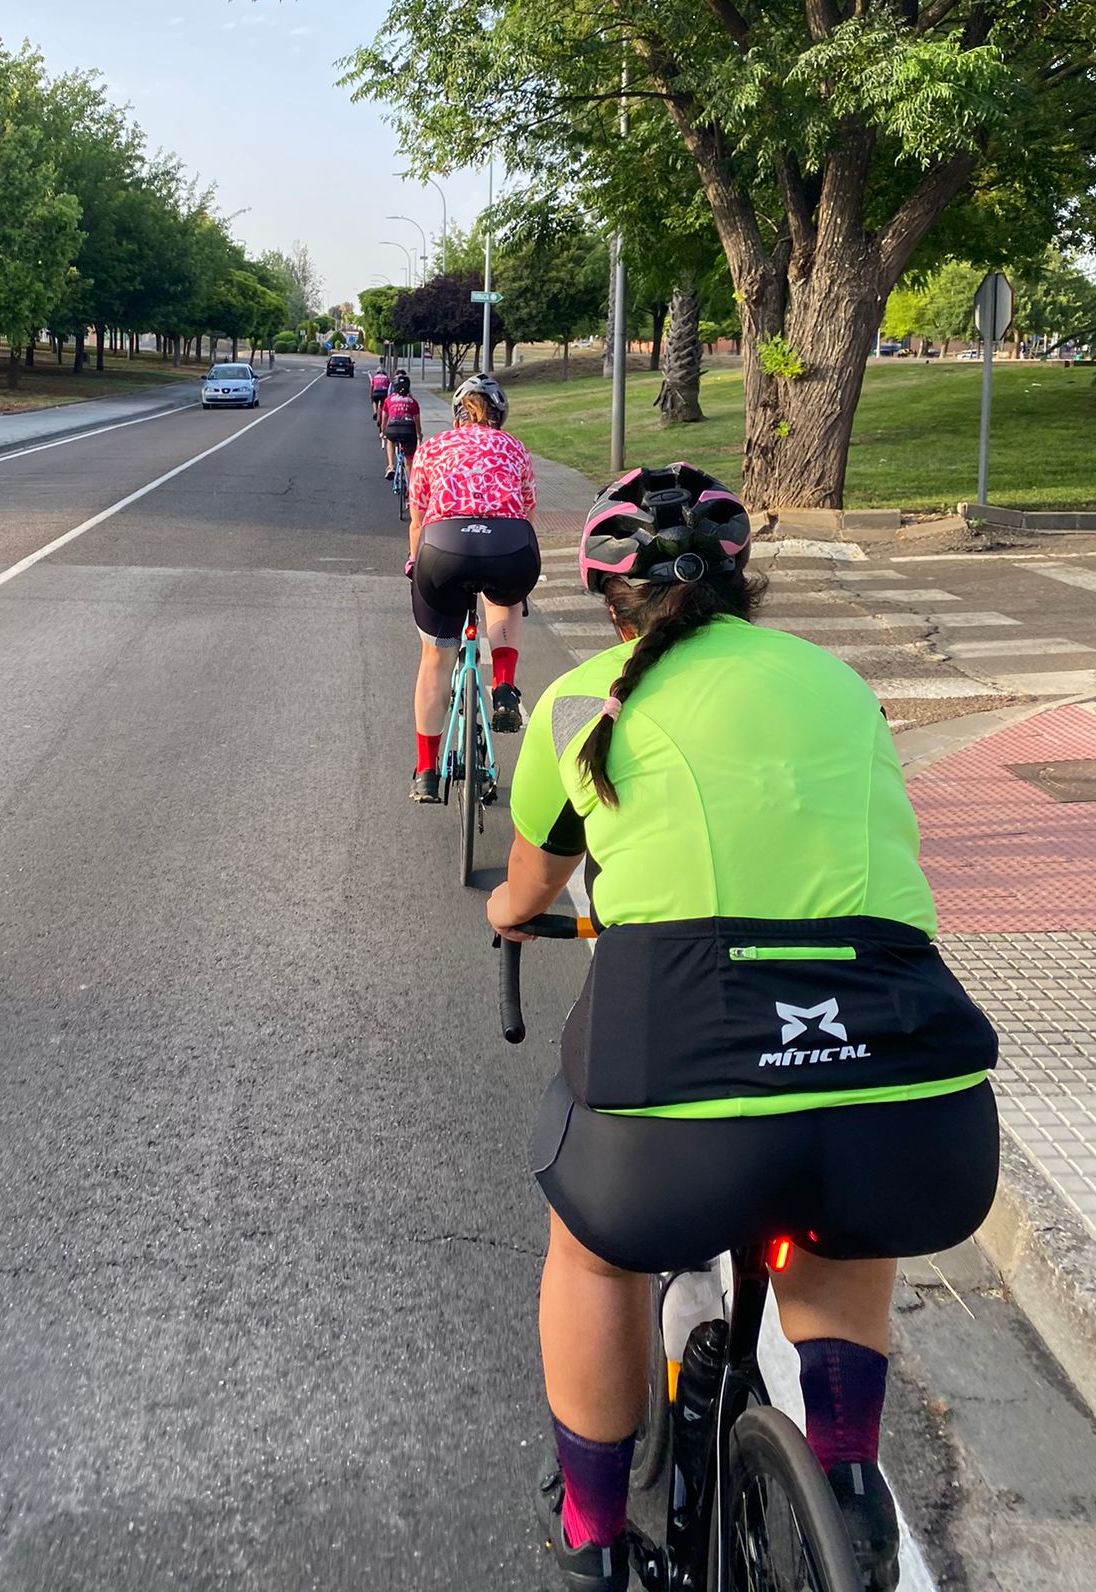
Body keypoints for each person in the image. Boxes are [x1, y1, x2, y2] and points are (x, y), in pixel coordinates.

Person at [487, 465, 1000, 1592]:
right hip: (913, 1082)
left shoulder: (584, 701)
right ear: (743, 582)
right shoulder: (839, 682)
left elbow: (534, 883)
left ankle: (590, 1530)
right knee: (843, 1220)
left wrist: (509, 915)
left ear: (610, 599)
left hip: (683, 1091)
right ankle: (850, 1481)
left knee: (594, 1246)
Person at [405, 374, 539, 800]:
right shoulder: (515, 447)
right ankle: (502, 685)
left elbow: (418, 520)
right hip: (507, 546)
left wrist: (415, 565)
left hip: (443, 549)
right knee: (506, 599)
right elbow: (528, 512)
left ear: (458, 414)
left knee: (435, 659)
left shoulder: (431, 449)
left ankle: (427, 772)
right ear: (499, 415)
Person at [379, 369, 421, 482]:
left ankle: (391, 466)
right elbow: (417, 420)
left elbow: (384, 418)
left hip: (392, 428)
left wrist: (383, 431)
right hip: (408, 429)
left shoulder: (389, 400)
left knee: (390, 440)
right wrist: (419, 434)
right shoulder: (413, 402)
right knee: (409, 461)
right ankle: (410, 489)